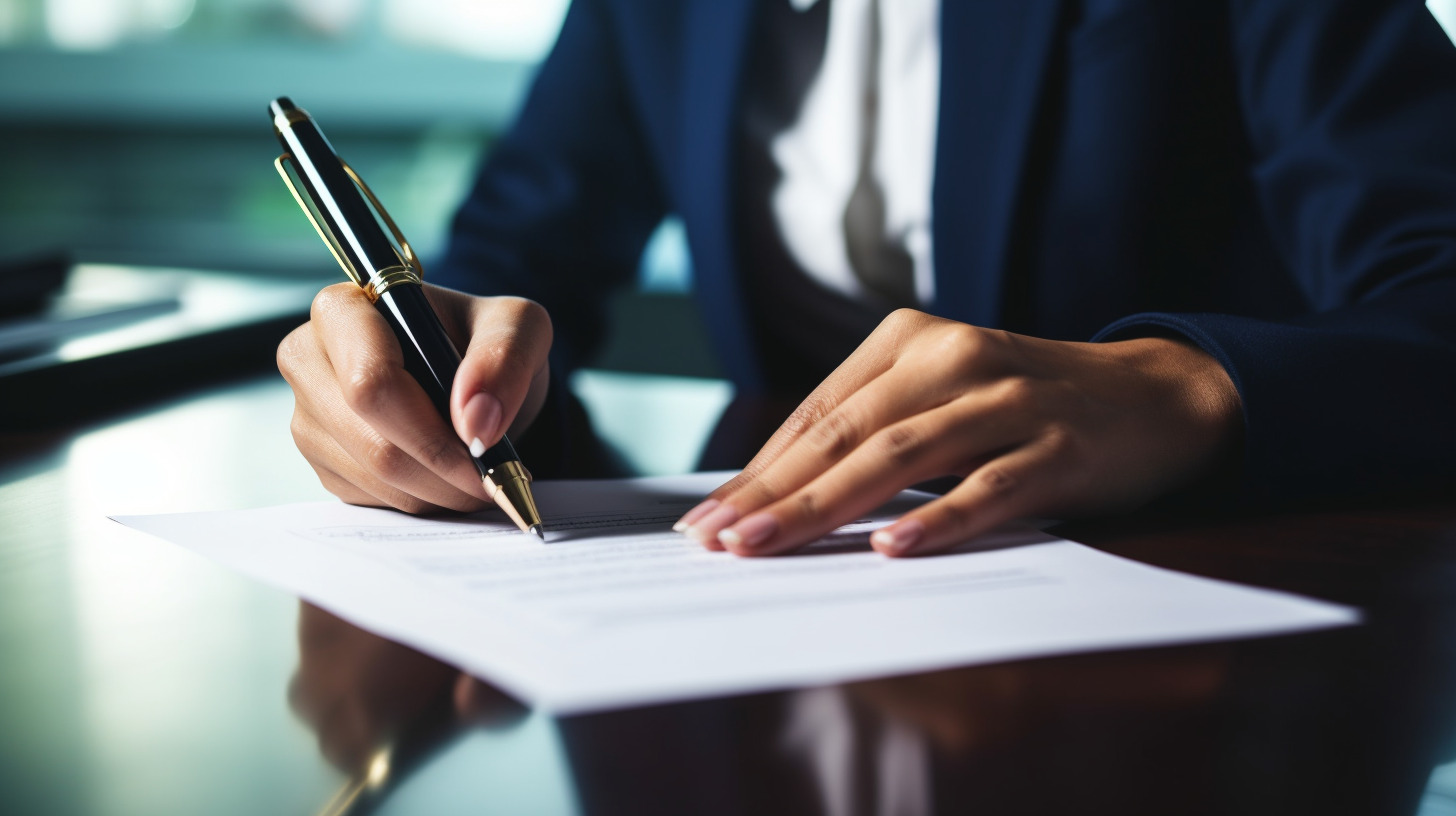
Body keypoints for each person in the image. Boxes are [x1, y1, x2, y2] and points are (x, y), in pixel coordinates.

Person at [277, 0, 1456, 558]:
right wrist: (407, 359)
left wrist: (1196, 388)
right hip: (787, 609)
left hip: (1198, 625)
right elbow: (512, 259)